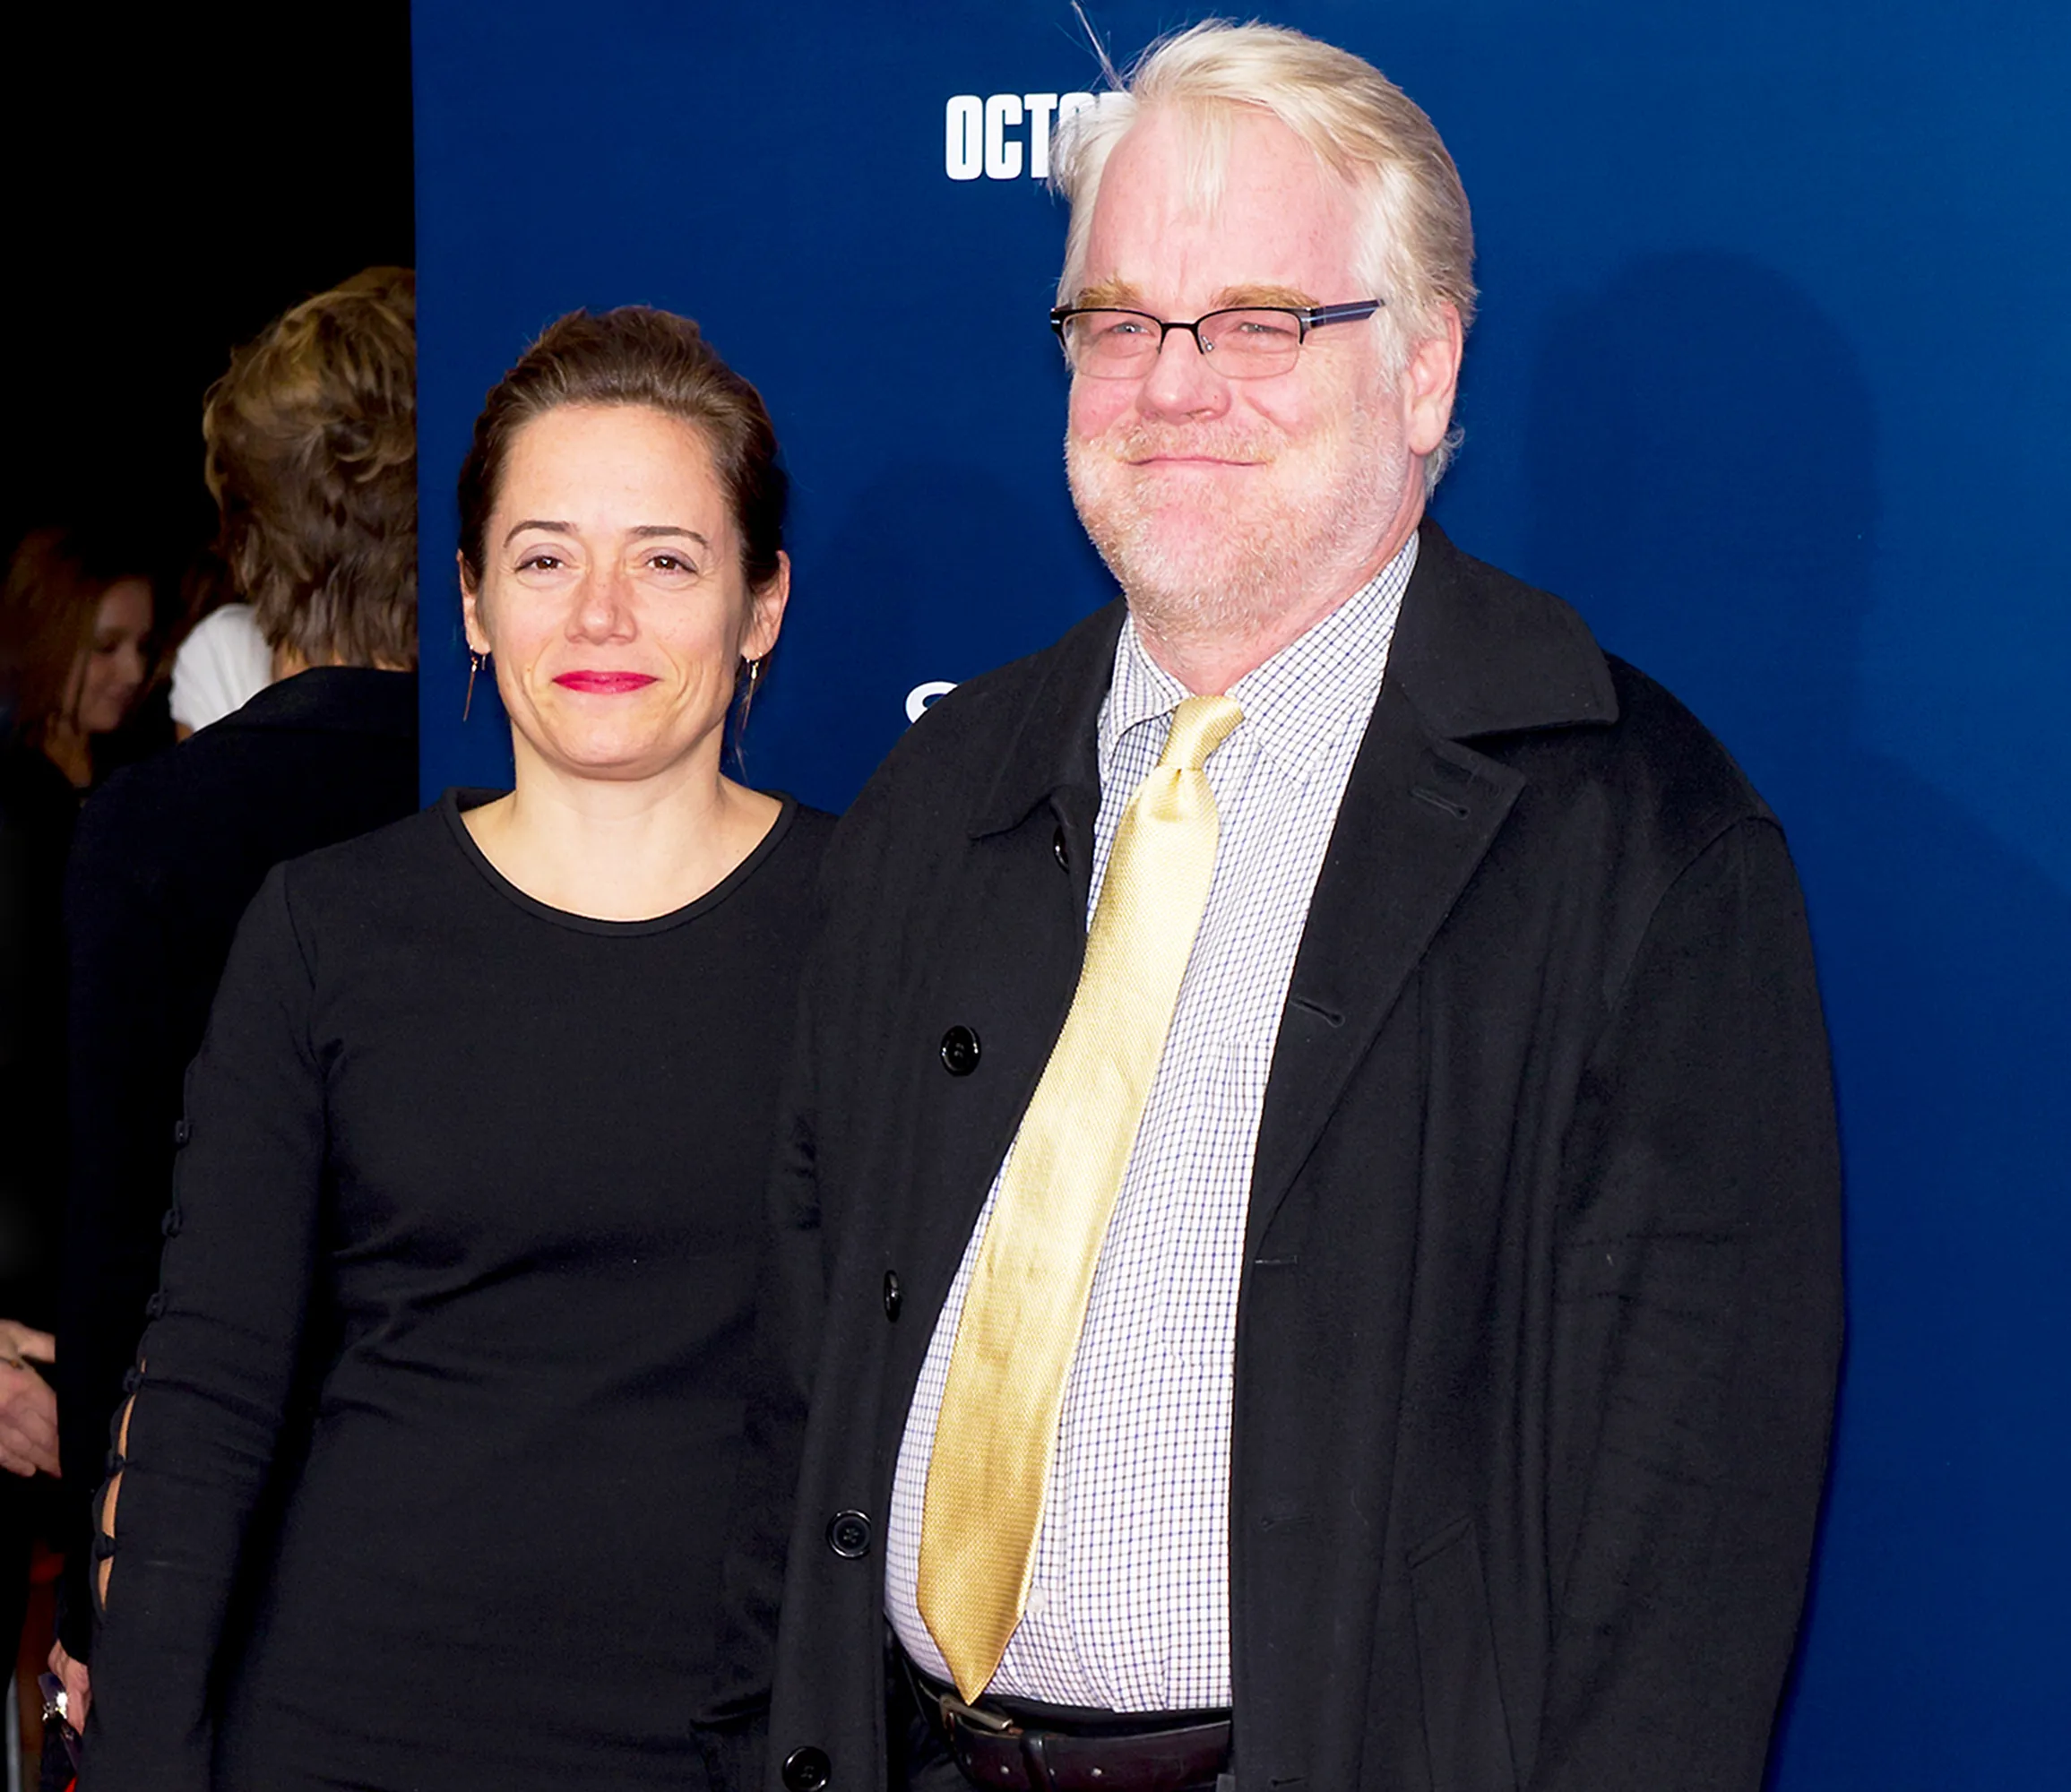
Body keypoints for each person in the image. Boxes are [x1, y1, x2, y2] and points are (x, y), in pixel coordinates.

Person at [707, 22, 1842, 1792]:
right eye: (1117, 322)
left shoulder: (1636, 844)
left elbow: (1682, 1577)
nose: (1172, 385)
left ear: (1424, 370)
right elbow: (800, 1404)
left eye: (1256, 323)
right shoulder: (940, 797)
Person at [77, 306, 833, 1792]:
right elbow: (206, 1394)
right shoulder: (326, 932)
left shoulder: (876, 928)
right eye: (544, 560)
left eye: (666, 561)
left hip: (738, 1738)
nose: (600, 615)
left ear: (761, 604)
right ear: (473, 602)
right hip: (347, 1733)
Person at [51, 267, 424, 1715]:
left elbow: (121, 1242)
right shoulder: (545, 798)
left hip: (232, 1533)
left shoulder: (154, 831)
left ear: (249, 528)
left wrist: (102, 1603)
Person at [0, 527, 155, 1684]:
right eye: (105, 645)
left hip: (75, 1282)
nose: (130, 671)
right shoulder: (23, 815)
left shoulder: (124, 797)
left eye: (143, 647)